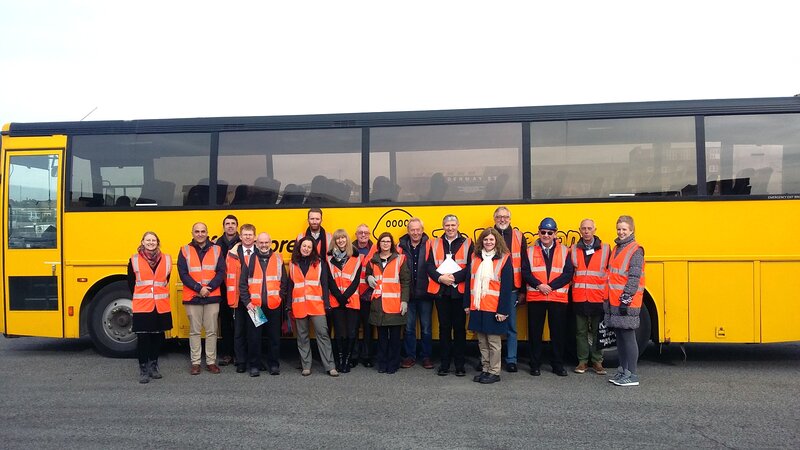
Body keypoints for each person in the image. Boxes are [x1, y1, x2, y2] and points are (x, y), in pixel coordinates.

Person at [522, 217, 574, 377]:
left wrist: (550, 287)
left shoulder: (565, 251)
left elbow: (568, 274)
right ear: (538, 232)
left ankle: (558, 365)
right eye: (543, 232)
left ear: (555, 234)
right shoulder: (530, 251)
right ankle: (535, 364)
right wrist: (539, 285)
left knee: (558, 333)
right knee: (535, 333)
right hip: (536, 297)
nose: (546, 235)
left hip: (556, 298)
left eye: (549, 232)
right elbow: (525, 272)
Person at [283, 236, 339, 377]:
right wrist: (288, 304)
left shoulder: (320, 263)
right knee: (302, 336)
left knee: (323, 334)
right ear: (299, 247)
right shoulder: (293, 264)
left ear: (313, 249)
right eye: (304, 246)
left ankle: (330, 366)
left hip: (317, 305)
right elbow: (291, 286)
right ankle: (306, 366)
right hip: (299, 305)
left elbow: (325, 285)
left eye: (309, 246)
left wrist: (327, 304)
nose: (306, 249)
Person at [426, 214, 473, 376]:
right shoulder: (434, 243)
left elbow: (471, 266)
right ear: (443, 226)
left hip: (459, 292)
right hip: (442, 292)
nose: (450, 228)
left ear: (458, 225)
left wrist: (455, 277)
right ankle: (445, 364)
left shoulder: (468, 243)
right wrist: (440, 278)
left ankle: (460, 365)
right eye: (447, 225)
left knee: (460, 329)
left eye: (453, 225)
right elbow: (429, 265)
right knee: (444, 329)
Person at [178, 222, 226, 375]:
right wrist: (199, 289)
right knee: (194, 331)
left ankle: (211, 362)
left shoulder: (217, 250)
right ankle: (196, 363)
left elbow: (221, 271)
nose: (200, 234)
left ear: (207, 233)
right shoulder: (184, 250)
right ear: (192, 233)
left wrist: (208, 288)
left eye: (203, 231)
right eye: (197, 231)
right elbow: (183, 274)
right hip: (193, 296)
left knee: (212, 331)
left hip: (211, 296)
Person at [467, 227, 513, 384]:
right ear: (482, 241)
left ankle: (495, 372)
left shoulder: (504, 258)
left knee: (493, 342)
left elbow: (507, 287)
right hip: (478, 306)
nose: (488, 242)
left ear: (497, 241)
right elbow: (469, 282)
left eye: (491, 239)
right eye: (485, 239)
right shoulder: (475, 258)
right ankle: (486, 369)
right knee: (482, 341)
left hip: (494, 308)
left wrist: (503, 310)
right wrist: (468, 304)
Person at [605, 215, 645, 387]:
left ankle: (633, 374)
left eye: (624, 229)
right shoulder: (617, 248)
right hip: (615, 301)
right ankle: (623, 370)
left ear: (631, 230)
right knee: (620, 337)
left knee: (628, 337)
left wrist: (626, 299)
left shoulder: (636, 249)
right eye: (619, 229)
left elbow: (634, 277)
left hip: (626, 302)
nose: (621, 232)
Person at [239, 231, 286, 376]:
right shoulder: (249, 260)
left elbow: (284, 283)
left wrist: (280, 298)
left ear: (270, 243)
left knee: (274, 338)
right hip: (255, 306)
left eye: (266, 243)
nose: (264, 245)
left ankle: (274, 365)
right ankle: (254, 366)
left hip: (273, 305)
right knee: (254, 338)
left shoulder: (278, 259)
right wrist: (247, 303)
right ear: (256, 244)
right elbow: (243, 284)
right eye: (261, 243)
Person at [128, 231, 172, 384]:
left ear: (157, 242)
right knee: (143, 338)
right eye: (148, 240)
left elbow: (166, 279)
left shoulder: (166, 259)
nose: (151, 242)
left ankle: (154, 365)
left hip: (160, 305)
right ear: (142, 242)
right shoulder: (134, 260)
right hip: (143, 306)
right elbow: (131, 283)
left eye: (153, 240)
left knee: (157, 337)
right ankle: (143, 369)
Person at [366, 232, 410, 374]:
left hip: (395, 304)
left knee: (395, 338)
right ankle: (382, 364)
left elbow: (405, 282)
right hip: (379, 305)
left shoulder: (400, 259)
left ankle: (393, 364)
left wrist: (404, 301)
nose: (385, 243)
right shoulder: (373, 260)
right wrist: (368, 278)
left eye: (388, 241)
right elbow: (367, 274)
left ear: (392, 243)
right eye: (383, 241)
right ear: (379, 244)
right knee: (382, 338)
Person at [570, 219, 610, 375]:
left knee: (598, 331)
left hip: (598, 297)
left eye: (589, 228)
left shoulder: (606, 249)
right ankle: (582, 362)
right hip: (580, 297)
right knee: (580, 331)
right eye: (583, 228)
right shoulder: (573, 249)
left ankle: (597, 362)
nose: (586, 231)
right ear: (580, 230)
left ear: (595, 230)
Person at [491, 206, 527, 373]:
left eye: (505, 217)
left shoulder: (519, 237)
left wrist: (523, 291)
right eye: (499, 217)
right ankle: (492, 360)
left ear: (510, 219)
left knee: (511, 326)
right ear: (495, 218)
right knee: (491, 327)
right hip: (492, 289)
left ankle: (511, 360)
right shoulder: (488, 236)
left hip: (512, 289)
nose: (502, 219)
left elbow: (525, 265)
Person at [398, 218, 435, 369]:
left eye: (418, 229)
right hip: (408, 295)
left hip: (426, 293)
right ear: (408, 231)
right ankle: (410, 356)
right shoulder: (400, 246)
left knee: (426, 328)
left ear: (422, 230)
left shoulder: (430, 245)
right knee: (409, 328)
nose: (415, 232)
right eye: (412, 230)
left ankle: (426, 357)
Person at [326, 229, 362, 373]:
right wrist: (338, 296)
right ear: (334, 241)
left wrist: (345, 296)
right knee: (340, 332)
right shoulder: (328, 259)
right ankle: (340, 360)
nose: (341, 240)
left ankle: (347, 360)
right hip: (336, 300)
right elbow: (329, 279)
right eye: (338, 238)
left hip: (351, 300)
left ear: (347, 240)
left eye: (343, 238)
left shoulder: (356, 258)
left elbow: (356, 280)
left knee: (351, 332)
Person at [214, 214, 240, 367]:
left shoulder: (242, 242)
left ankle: (239, 354)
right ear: (223, 227)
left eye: (233, 223)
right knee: (225, 323)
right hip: (222, 289)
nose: (230, 226)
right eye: (227, 224)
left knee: (239, 324)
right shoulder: (218, 243)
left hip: (238, 291)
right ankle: (227, 354)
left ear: (237, 226)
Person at [353, 224, 377, 367]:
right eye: (360, 233)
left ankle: (367, 356)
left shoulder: (375, 250)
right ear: (356, 234)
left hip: (368, 294)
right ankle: (354, 356)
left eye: (366, 233)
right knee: (353, 327)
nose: (363, 235)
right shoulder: (349, 249)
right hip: (353, 294)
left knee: (368, 327)